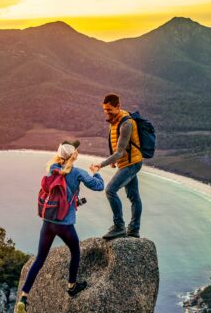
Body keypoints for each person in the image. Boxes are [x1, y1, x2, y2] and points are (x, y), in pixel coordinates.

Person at [16, 140, 104, 313]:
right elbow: (99, 186)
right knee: (76, 251)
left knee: (40, 258)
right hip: (64, 224)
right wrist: (96, 173)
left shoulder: (52, 168)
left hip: (48, 222)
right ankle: (72, 286)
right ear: (74, 156)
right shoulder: (77, 172)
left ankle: (24, 297)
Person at [91, 93, 143, 240]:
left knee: (110, 191)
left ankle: (119, 227)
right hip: (127, 162)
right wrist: (113, 160)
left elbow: (120, 152)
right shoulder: (114, 120)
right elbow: (114, 142)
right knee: (134, 197)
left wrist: (101, 165)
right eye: (104, 109)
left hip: (131, 163)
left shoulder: (126, 123)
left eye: (109, 109)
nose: (106, 112)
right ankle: (134, 230)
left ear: (118, 106)